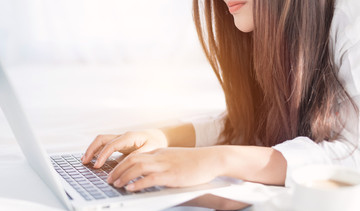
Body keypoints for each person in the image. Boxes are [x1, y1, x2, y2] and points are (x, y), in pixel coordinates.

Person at [81, 0, 360, 191]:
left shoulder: (351, 19)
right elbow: (251, 122)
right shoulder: (267, 28)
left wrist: (217, 160)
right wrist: (164, 136)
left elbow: (353, 156)